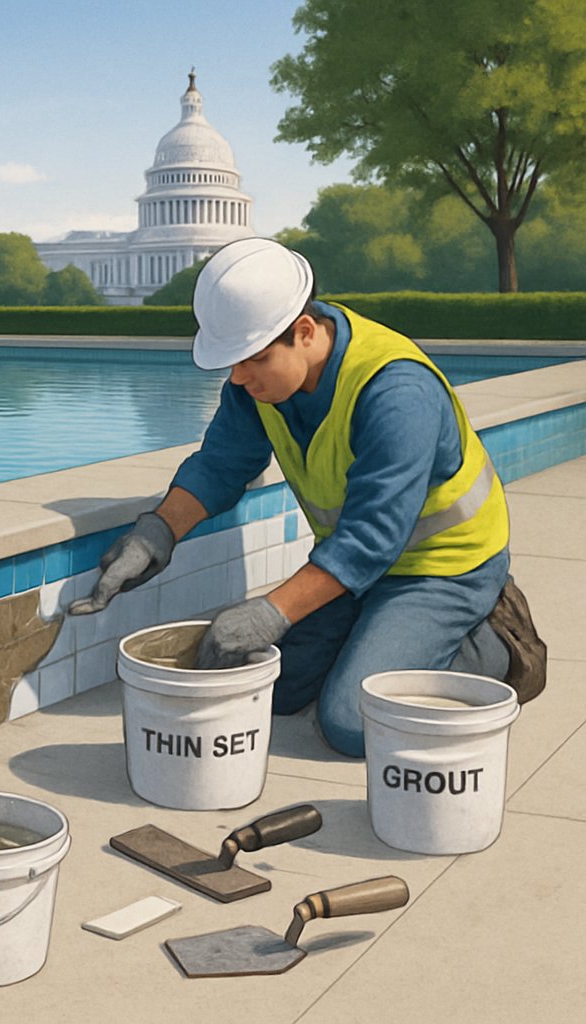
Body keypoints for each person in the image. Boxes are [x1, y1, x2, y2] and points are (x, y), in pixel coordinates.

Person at [73, 237, 544, 756]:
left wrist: (272, 611)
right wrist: (156, 533)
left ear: (303, 331)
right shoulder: (260, 380)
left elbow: (372, 537)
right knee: (271, 686)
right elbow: (221, 464)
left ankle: (496, 642)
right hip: (359, 573)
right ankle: (375, 634)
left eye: (251, 360)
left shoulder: (396, 393)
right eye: (232, 362)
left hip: (445, 569)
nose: (237, 377)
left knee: (351, 722)